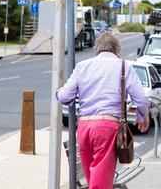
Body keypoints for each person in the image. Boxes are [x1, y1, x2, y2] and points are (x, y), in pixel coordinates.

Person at [56, 33, 150, 189]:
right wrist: (142, 116)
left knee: (92, 178)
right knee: (100, 184)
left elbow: (65, 96)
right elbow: (141, 98)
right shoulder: (123, 66)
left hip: (84, 127)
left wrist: (57, 93)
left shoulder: (82, 66)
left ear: (97, 49)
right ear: (117, 50)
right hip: (107, 127)